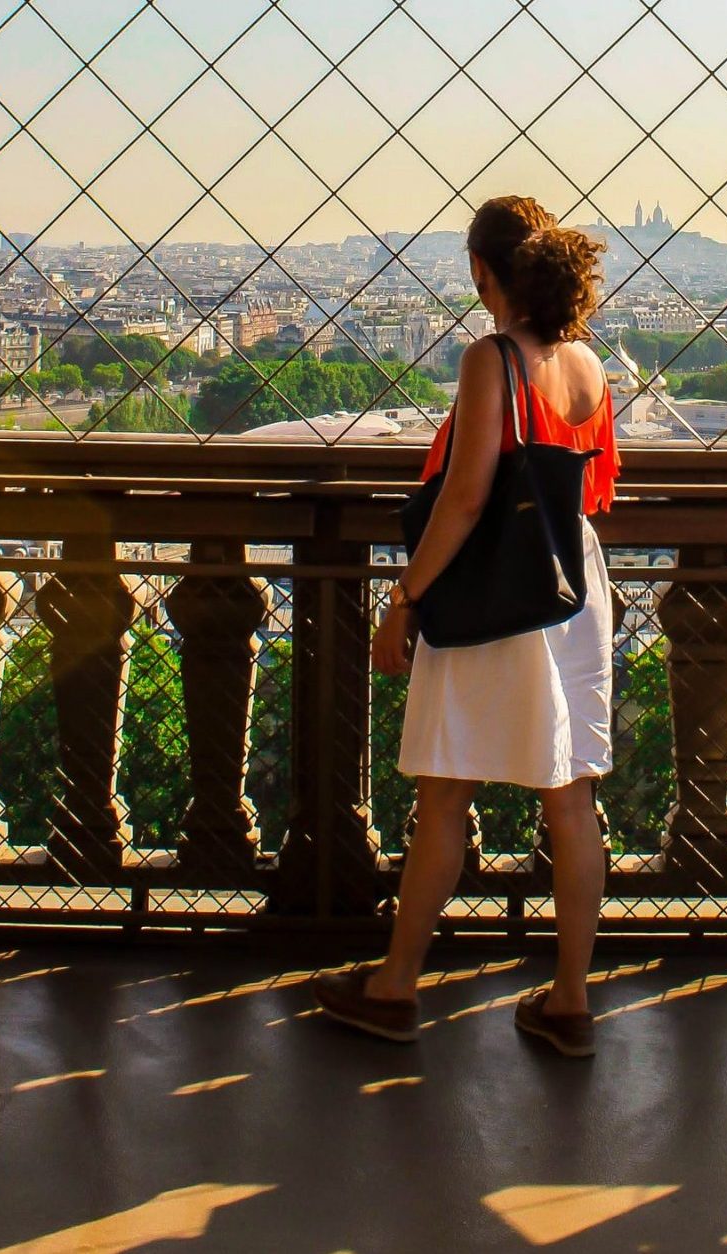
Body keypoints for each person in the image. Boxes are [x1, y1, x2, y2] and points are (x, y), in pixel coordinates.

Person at [313, 196, 620, 1058]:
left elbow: (468, 495)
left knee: (447, 789)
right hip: (573, 585)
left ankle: (397, 984)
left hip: (499, 592)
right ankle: (569, 1000)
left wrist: (406, 598)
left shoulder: (492, 359)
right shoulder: (590, 367)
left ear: (486, 273)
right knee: (573, 798)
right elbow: (592, 492)